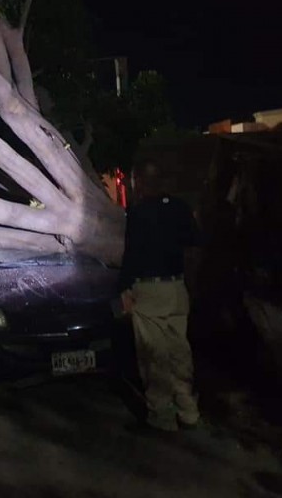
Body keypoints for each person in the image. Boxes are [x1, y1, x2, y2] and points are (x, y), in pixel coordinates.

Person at [119, 159, 201, 431]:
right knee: (179, 349)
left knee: (154, 354)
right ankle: (188, 410)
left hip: (150, 289)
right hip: (177, 288)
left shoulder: (139, 213)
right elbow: (194, 243)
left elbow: (131, 255)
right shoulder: (179, 208)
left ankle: (162, 415)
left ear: (139, 182)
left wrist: (124, 289)